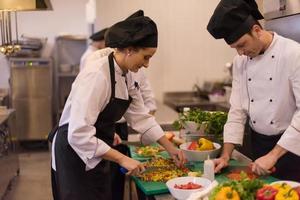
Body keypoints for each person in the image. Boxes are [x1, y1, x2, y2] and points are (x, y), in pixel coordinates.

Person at [49, 10, 185, 200]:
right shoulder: (97, 75)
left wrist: (170, 148)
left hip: (97, 149)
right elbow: (78, 133)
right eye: (146, 57)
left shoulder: (127, 74)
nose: (147, 64)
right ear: (129, 50)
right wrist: (122, 158)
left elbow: (140, 117)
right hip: (74, 153)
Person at [207, 0, 300, 181]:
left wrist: (273, 155)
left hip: (291, 147)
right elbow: (236, 110)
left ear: (257, 30)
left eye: (242, 45)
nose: (240, 53)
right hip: (258, 145)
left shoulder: (294, 54)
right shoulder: (240, 61)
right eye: (235, 48)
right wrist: (226, 155)